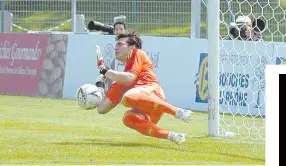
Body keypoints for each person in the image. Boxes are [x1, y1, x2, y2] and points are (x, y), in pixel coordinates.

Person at [94, 31, 193, 145]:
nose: (115, 48)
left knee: (128, 97)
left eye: (120, 44)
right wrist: (100, 84)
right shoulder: (119, 82)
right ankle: (173, 136)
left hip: (155, 94)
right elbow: (102, 108)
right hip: (151, 112)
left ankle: (179, 112)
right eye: (116, 44)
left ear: (132, 47)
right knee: (128, 119)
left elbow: (130, 78)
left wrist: (104, 70)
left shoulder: (138, 53)